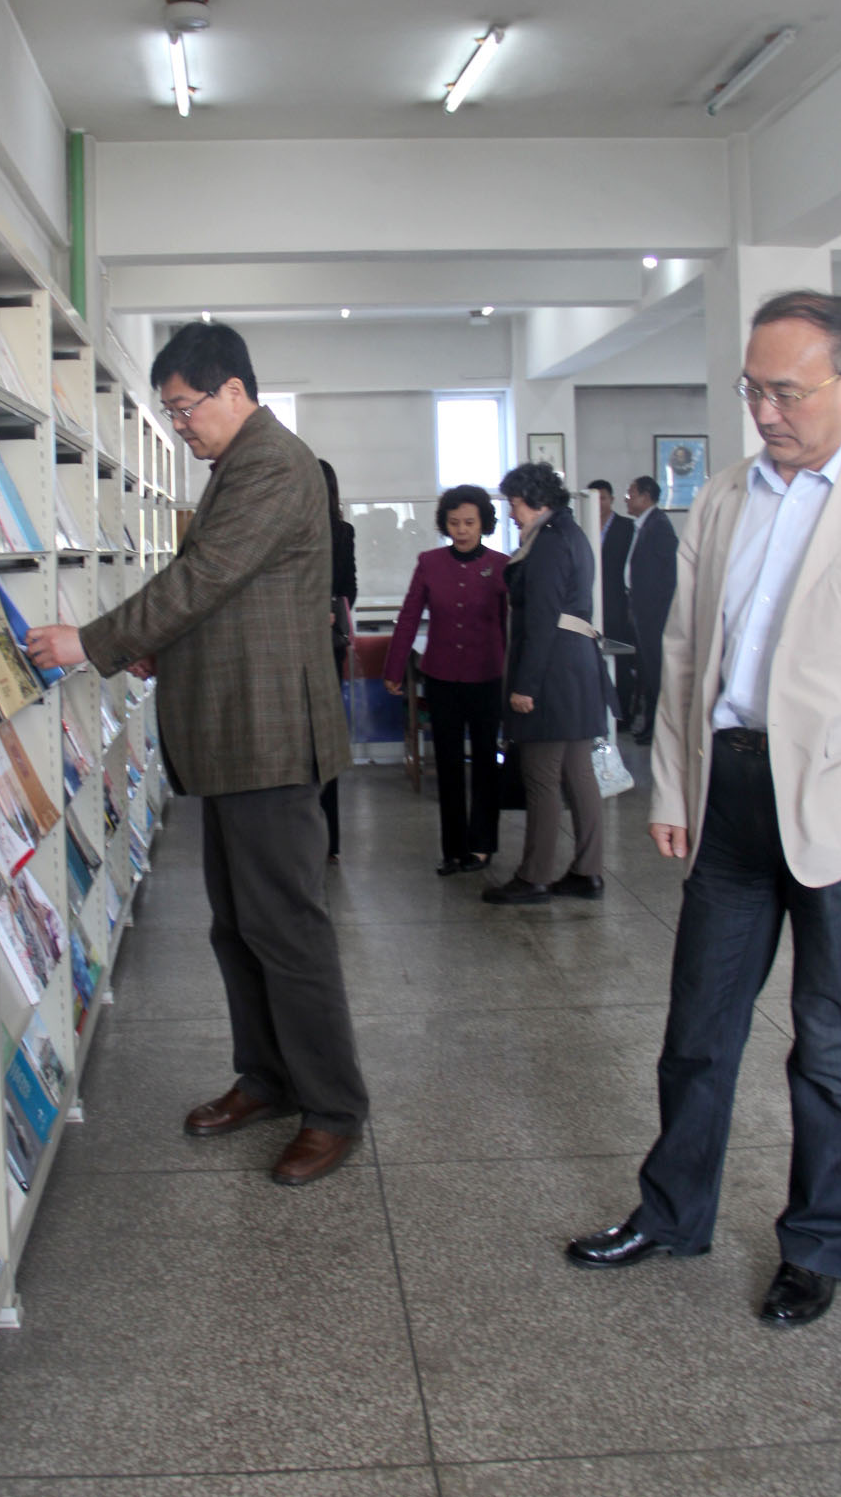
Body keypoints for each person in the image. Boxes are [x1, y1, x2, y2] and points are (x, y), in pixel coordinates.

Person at [566, 290, 841, 1326]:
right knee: (696, 1030)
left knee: (833, 1044)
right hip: (729, 800)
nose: (765, 412)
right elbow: (684, 655)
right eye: (752, 391)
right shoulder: (725, 497)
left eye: (785, 392)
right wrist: (674, 786)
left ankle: (817, 1246)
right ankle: (672, 1213)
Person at [26, 321, 368, 1187]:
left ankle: (333, 1109)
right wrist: (159, 646)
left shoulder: (271, 463)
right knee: (238, 925)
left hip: (267, 734)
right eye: (170, 414)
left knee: (285, 929)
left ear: (234, 391)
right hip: (234, 733)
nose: (179, 427)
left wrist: (93, 642)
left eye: (184, 409)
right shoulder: (241, 463)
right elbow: (230, 598)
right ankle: (268, 1077)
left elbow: (204, 577)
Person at [481, 462, 611, 905]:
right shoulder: (571, 534)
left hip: (551, 671)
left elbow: (540, 621)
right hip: (576, 668)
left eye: (515, 503)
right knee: (578, 773)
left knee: (540, 776)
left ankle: (534, 875)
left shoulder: (548, 544)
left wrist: (525, 686)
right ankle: (588, 872)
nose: (511, 512)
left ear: (536, 502)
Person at [383, 485, 508, 875]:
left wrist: (517, 679)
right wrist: (393, 668)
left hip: (487, 676)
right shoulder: (429, 562)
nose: (462, 530)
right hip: (442, 677)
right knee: (448, 762)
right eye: (454, 523)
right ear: (444, 524)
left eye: (469, 522)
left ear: (484, 524)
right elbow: (408, 617)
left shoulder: (502, 565)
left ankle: (482, 845)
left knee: (485, 760)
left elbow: (512, 627)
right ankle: (453, 850)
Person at [319, 457, 356, 864]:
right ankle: (314, 837)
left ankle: (327, 839)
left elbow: (349, 589)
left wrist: (330, 610)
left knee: (323, 739)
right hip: (300, 646)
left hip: (326, 646)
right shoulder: (286, 528)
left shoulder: (341, 532)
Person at [623, 474, 679, 743]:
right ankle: (648, 725)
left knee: (655, 672)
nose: (627, 499)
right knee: (645, 671)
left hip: (654, 615)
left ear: (646, 497)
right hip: (641, 610)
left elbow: (671, 574)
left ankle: (657, 729)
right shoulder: (643, 525)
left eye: (631, 494)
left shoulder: (659, 526)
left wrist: (656, 609)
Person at [587, 477, 635, 729]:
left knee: (621, 663)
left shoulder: (627, 527)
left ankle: (622, 716)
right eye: (594, 498)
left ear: (612, 500)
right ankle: (599, 716)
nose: (599, 503)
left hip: (618, 603)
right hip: (591, 604)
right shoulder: (584, 525)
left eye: (603, 498)